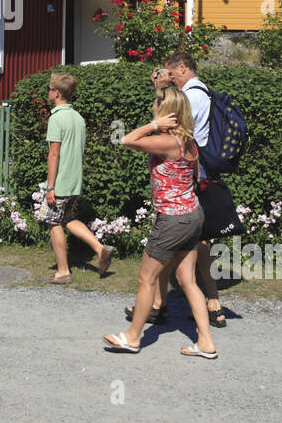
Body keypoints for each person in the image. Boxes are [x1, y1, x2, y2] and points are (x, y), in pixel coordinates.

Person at [103, 86, 217, 359]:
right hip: (192, 215)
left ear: (168, 113)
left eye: (157, 105)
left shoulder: (169, 142)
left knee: (146, 278)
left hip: (173, 220)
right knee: (187, 280)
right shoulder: (188, 141)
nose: (153, 107)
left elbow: (127, 140)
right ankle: (205, 342)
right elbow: (193, 176)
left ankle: (132, 337)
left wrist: (154, 125)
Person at [136, 51, 226, 328]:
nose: (169, 78)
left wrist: (162, 97)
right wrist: (160, 89)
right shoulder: (196, 92)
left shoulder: (195, 95)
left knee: (192, 240)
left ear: (183, 68)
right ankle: (158, 302)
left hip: (188, 171)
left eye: (171, 74)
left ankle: (212, 301)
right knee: (180, 237)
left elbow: (175, 122)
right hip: (190, 168)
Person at [42, 72, 112, 284]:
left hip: (61, 182)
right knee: (67, 219)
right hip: (75, 181)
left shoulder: (56, 118)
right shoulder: (78, 118)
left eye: (49, 88)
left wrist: (50, 186)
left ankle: (63, 271)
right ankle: (100, 249)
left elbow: (54, 153)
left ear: (58, 92)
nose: (48, 92)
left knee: (53, 221)